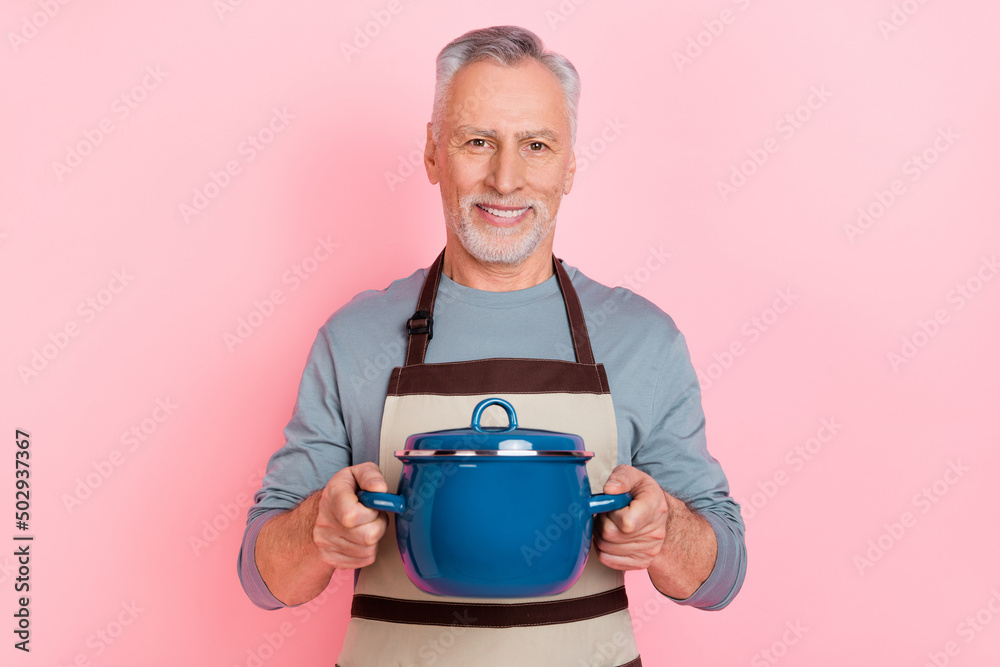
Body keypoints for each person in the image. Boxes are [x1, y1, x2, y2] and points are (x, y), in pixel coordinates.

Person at [238, 25, 746, 666]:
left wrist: (664, 528)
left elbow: (721, 578)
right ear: (433, 154)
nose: (506, 180)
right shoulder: (354, 338)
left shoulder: (642, 339)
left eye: (536, 145)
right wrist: (319, 528)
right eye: (477, 142)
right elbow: (265, 580)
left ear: (569, 165)